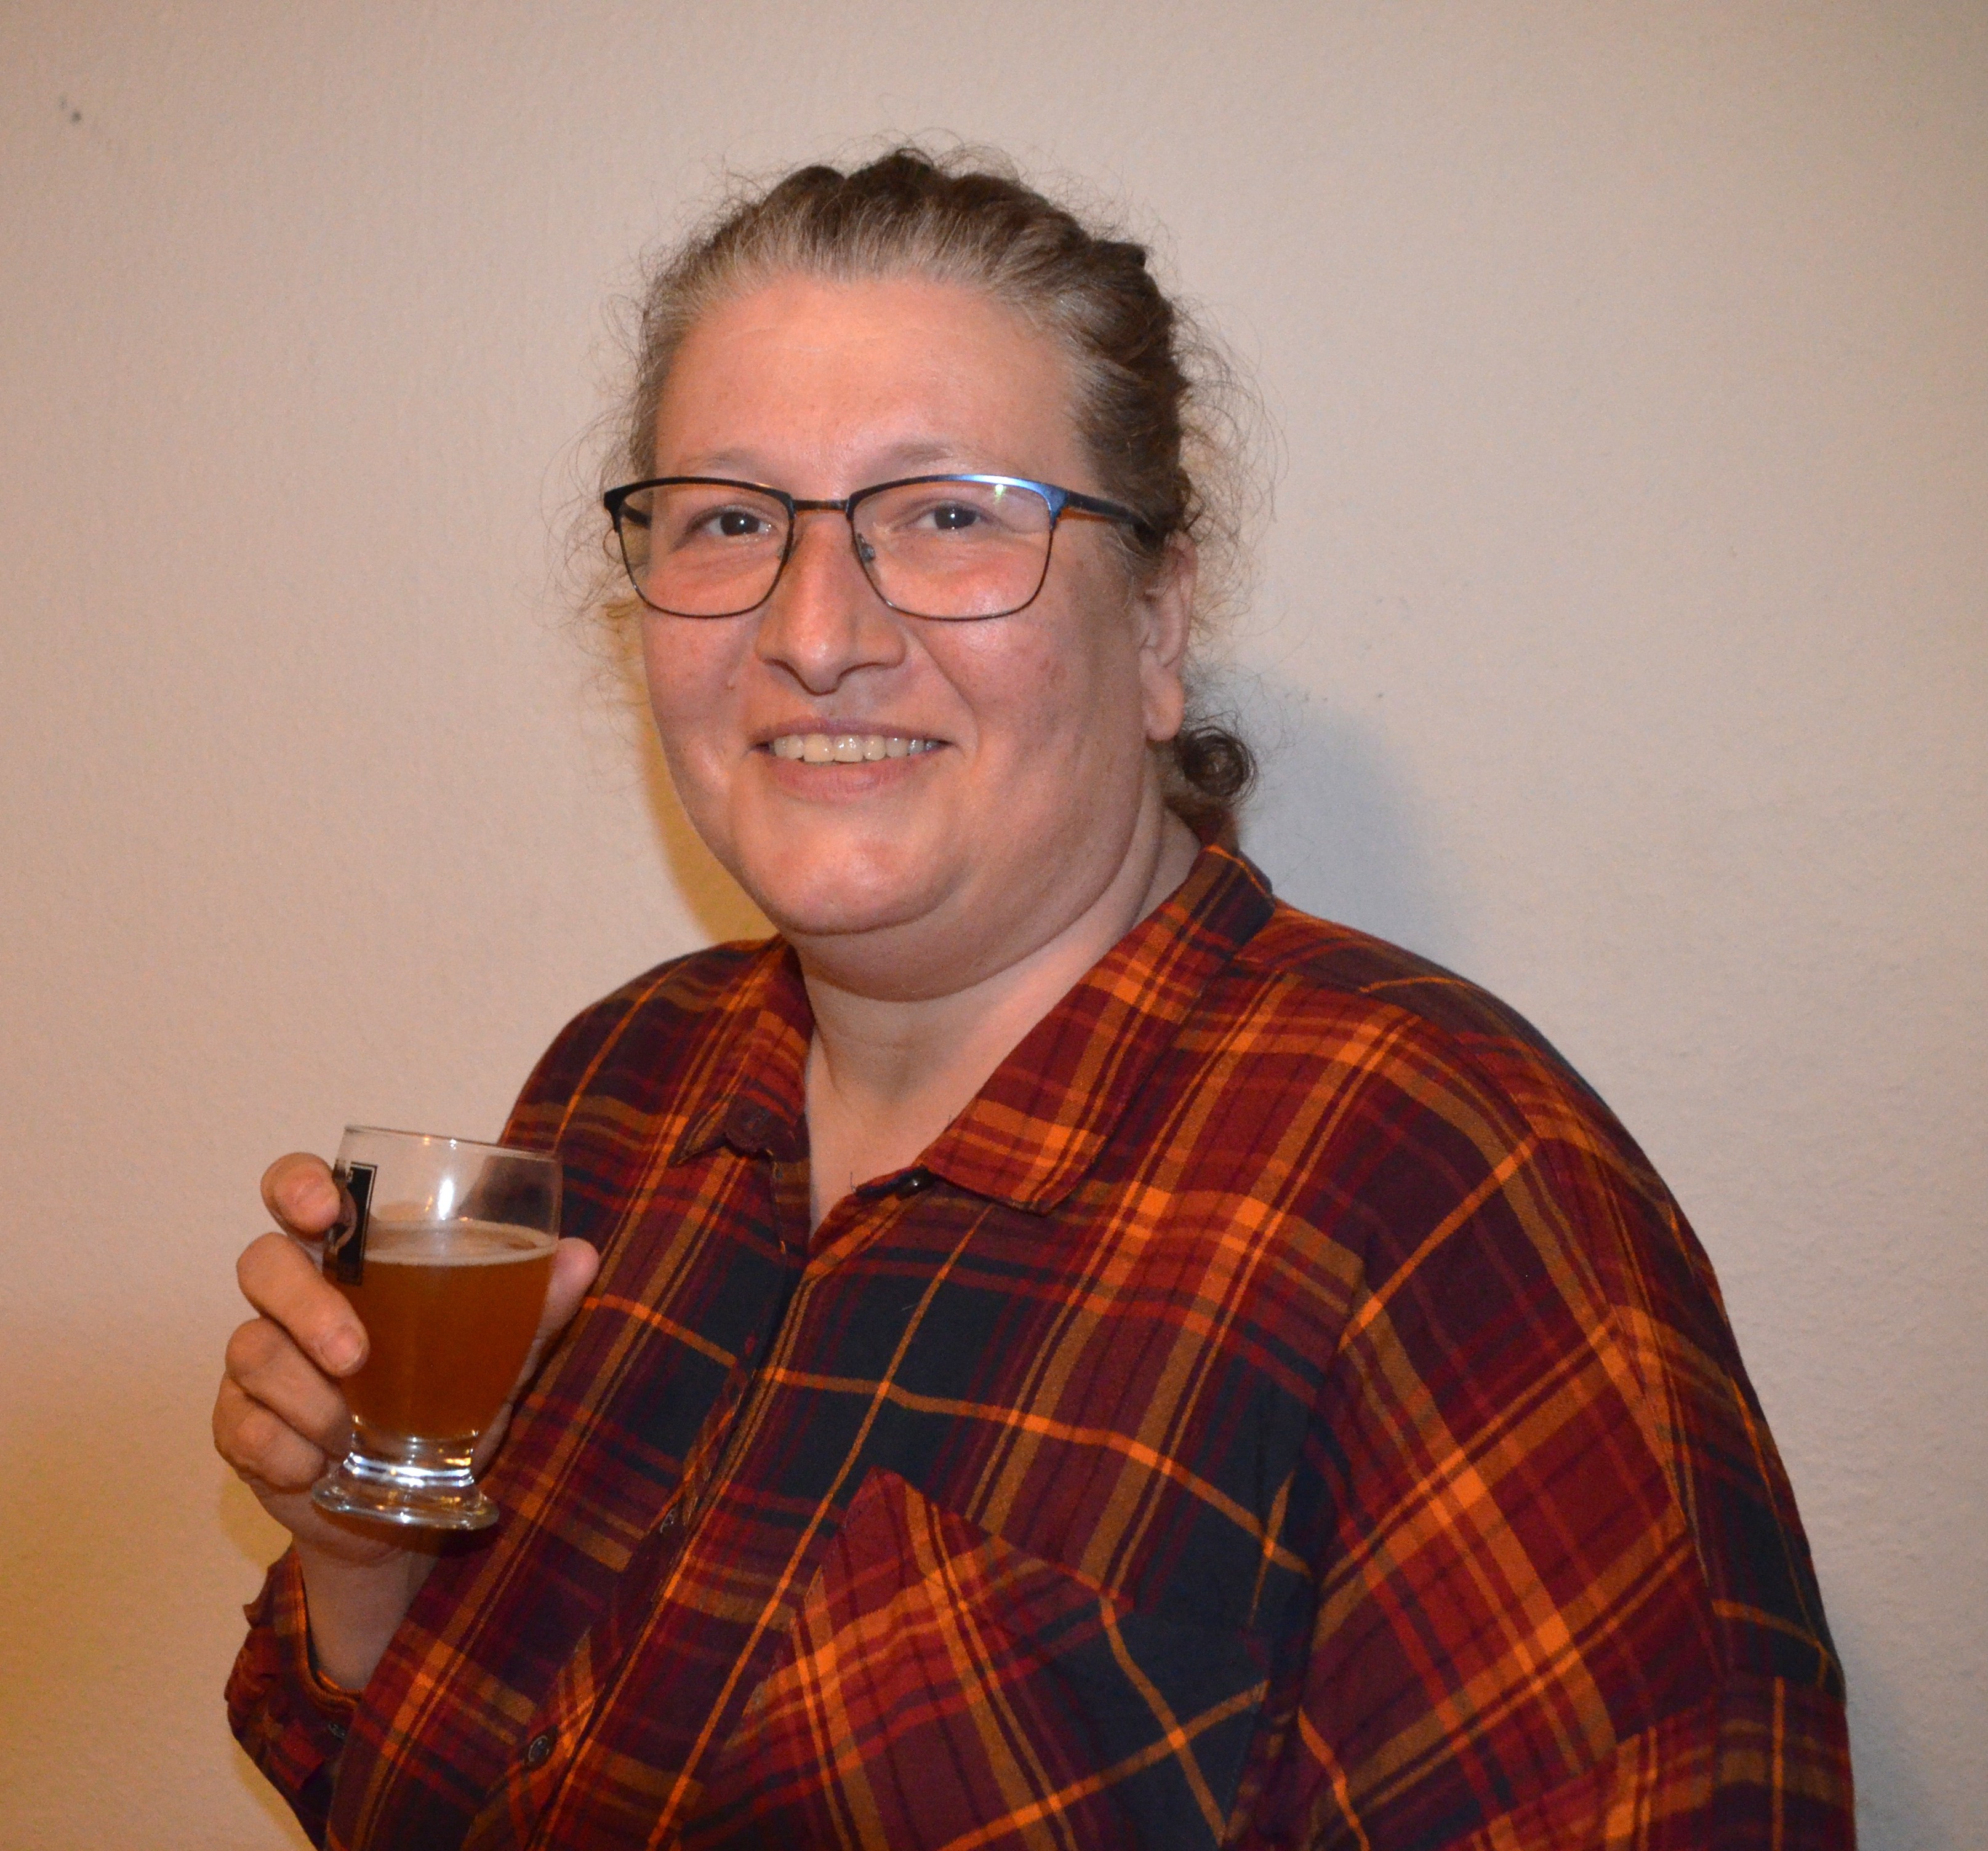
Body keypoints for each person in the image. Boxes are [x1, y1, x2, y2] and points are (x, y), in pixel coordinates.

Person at [216, 148, 1853, 1850]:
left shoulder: (1432, 1182)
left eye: (947, 515)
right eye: (730, 520)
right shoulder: (623, 1083)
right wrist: (366, 1556)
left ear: (1156, 622)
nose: (816, 633)